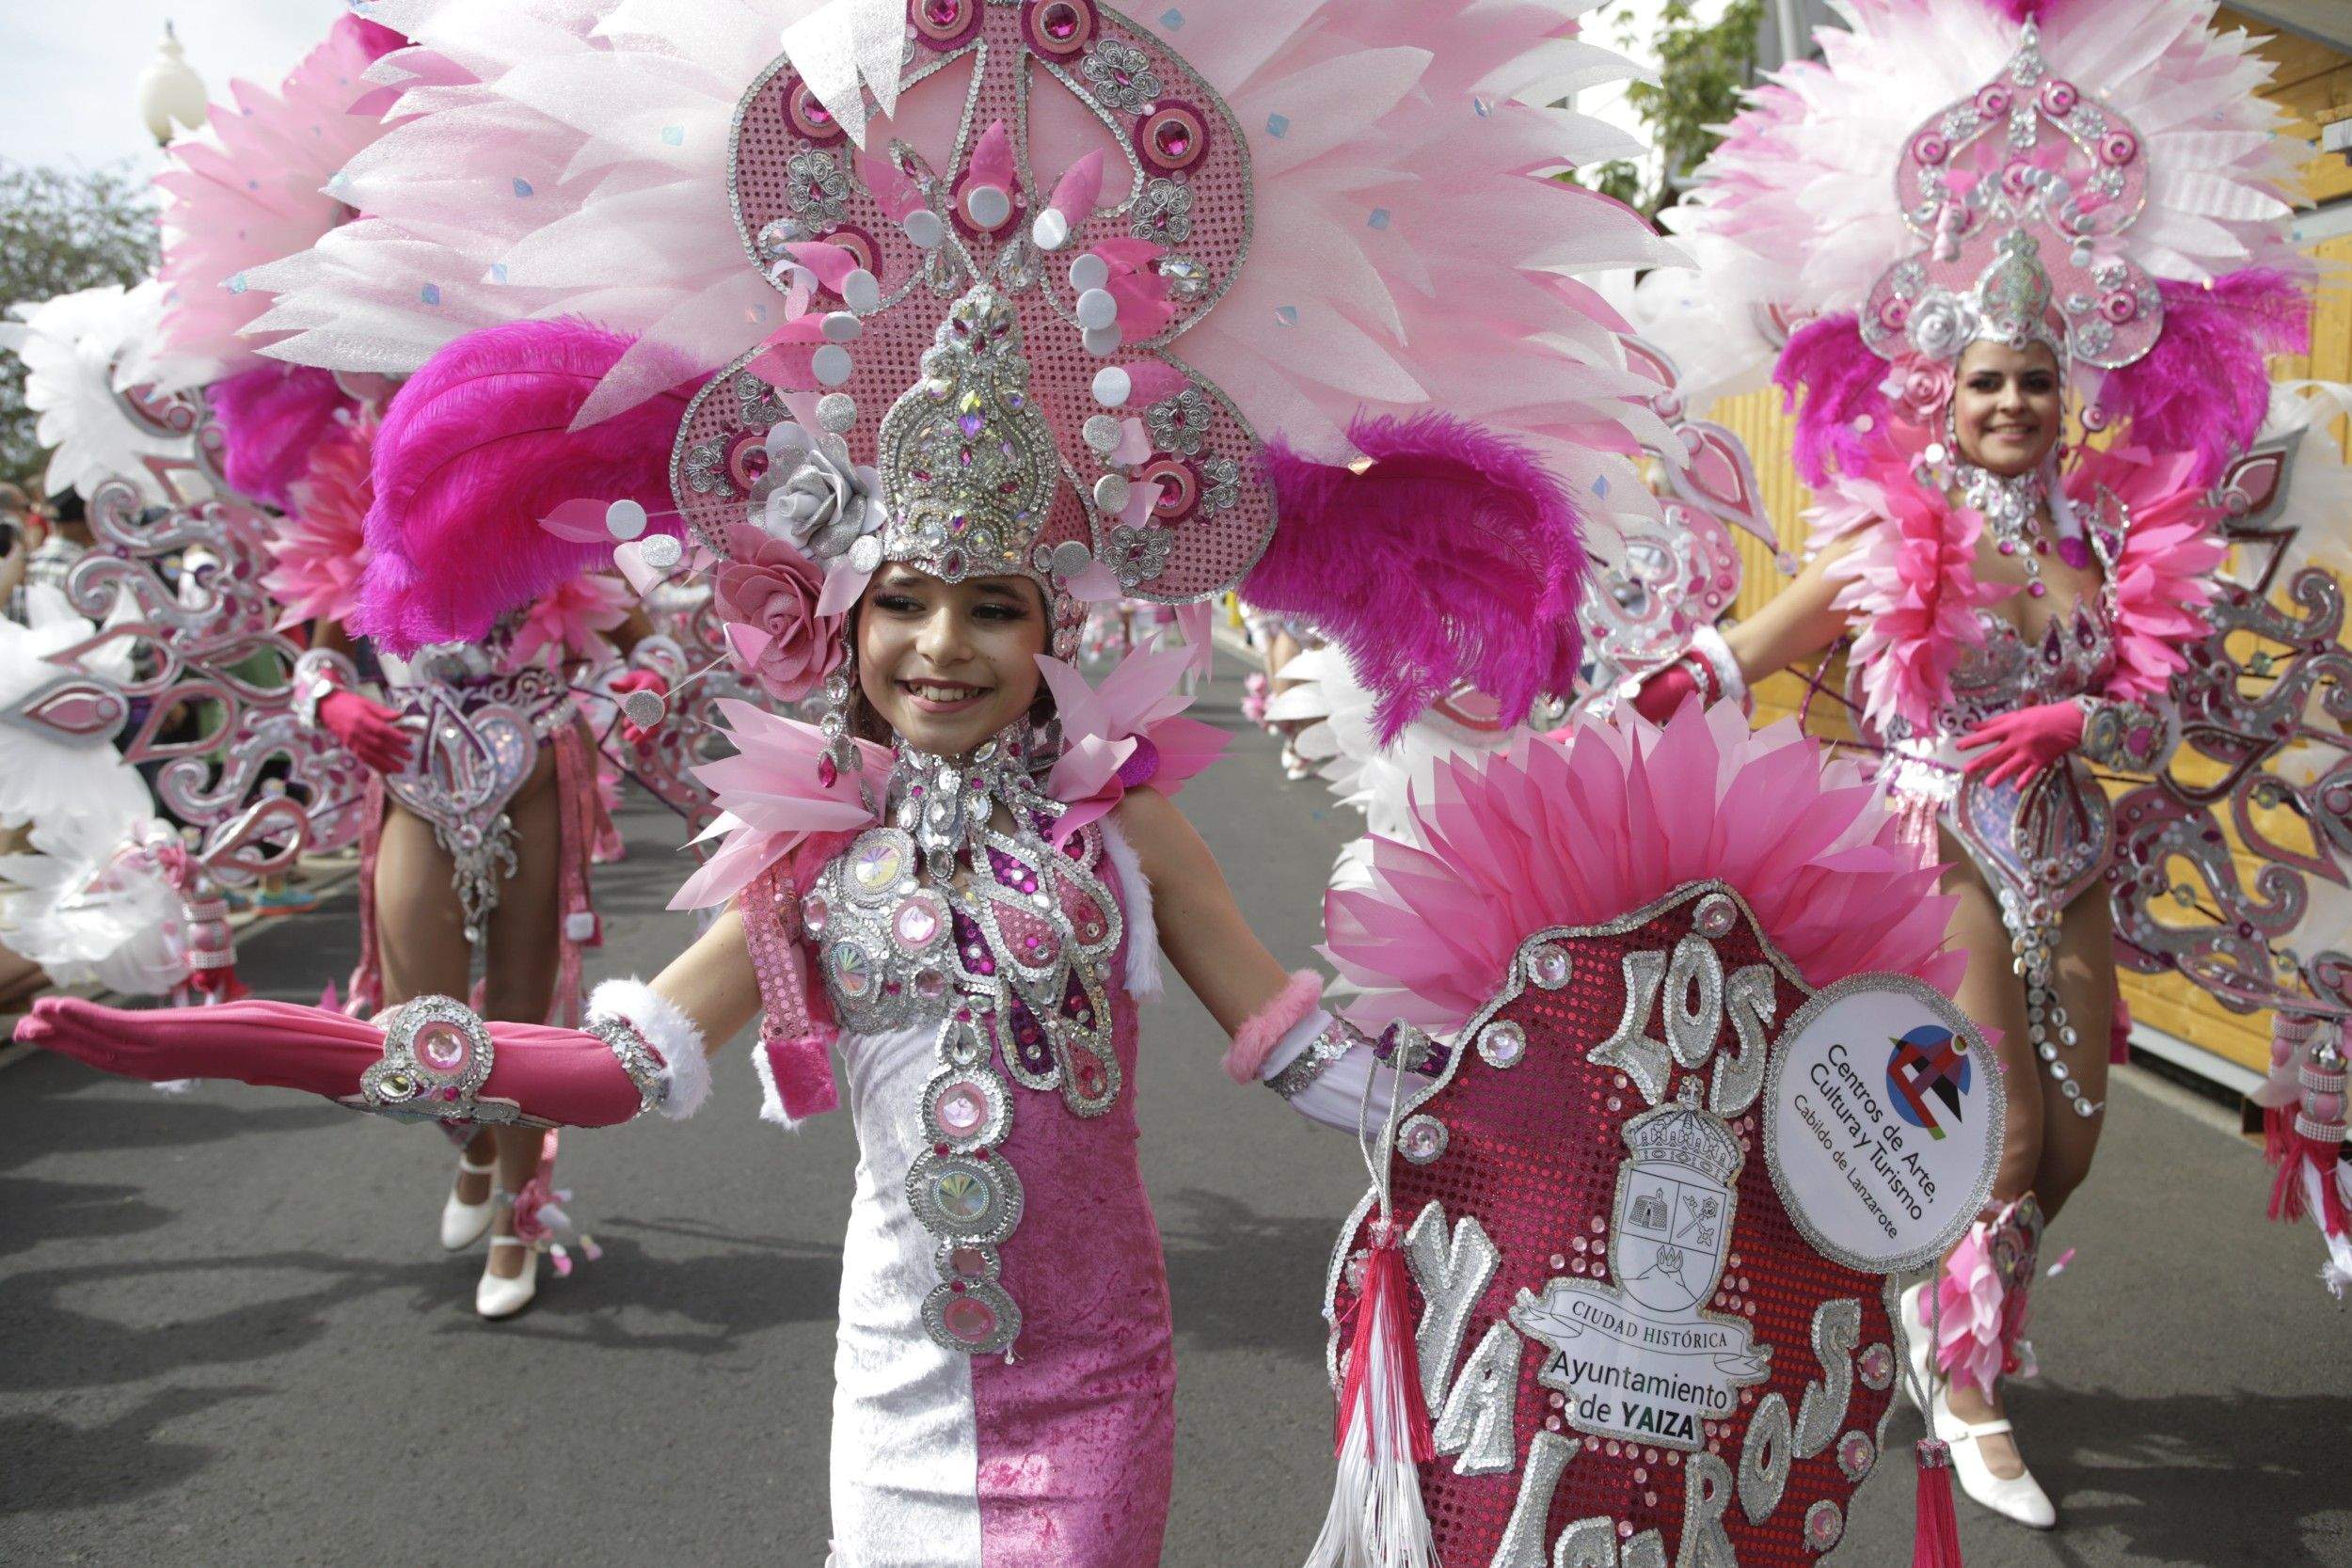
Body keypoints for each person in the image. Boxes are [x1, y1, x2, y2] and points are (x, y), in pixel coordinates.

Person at [1623, 4, 2312, 1529]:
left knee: (2073, 1138)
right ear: (1946, 389)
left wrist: (2083, 726)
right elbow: (1762, 647)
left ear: (2072, 405)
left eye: (2037, 385)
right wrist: (1642, 701)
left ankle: (1949, 1312)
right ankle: (1968, 1385)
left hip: (2065, 846)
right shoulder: (1890, 529)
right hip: (1929, 839)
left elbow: (2164, 710)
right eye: (1990, 380)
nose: (2012, 404)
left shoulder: (2120, 541)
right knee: (1991, 1125)